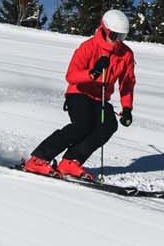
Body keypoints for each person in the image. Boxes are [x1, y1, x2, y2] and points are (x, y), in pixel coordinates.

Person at [22, 9, 136, 180]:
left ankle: (70, 161)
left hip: (100, 97)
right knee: (82, 125)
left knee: (108, 126)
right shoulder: (88, 47)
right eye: (115, 35)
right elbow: (71, 76)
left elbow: (127, 82)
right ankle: (38, 159)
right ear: (104, 30)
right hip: (79, 92)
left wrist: (127, 108)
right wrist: (92, 73)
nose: (118, 41)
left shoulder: (126, 54)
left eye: (123, 36)